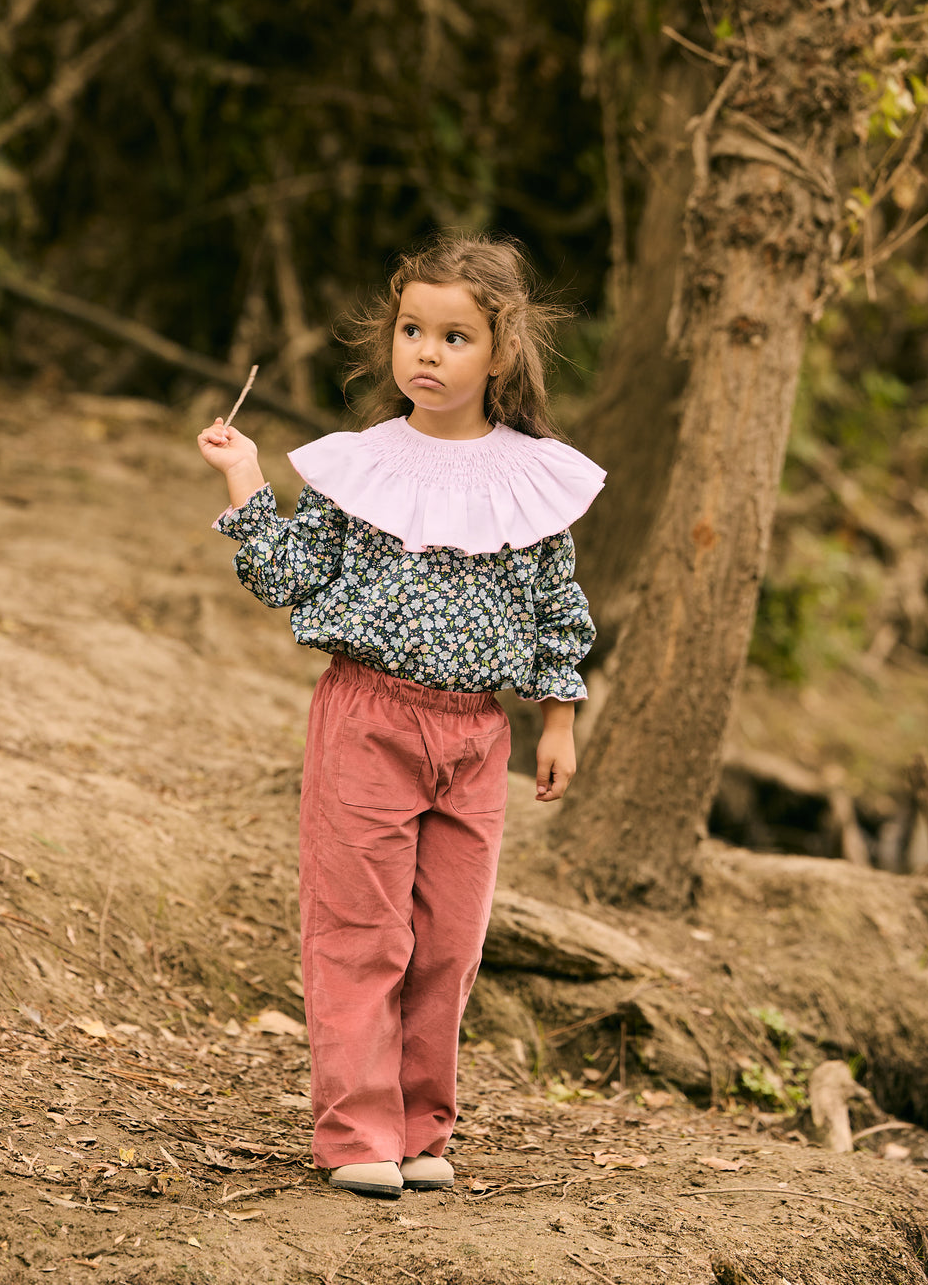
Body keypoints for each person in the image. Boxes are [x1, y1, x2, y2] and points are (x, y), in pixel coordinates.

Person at [197, 233, 604, 1199]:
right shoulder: (359, 466)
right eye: (412, 329)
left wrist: (559, 720)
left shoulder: (534, 478)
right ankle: (356, 1132)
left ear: (499, 353)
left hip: (478, 738)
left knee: (450, 939)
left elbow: (557, 607)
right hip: (366, 719)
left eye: (455, 336)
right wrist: (243, 472)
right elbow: (290, 572)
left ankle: (423, 1128)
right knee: (359, 927)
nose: (427, 351)